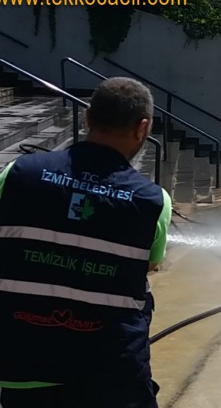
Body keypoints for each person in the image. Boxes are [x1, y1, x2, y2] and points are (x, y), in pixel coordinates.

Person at [0, 77, 172, 407]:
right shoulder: (153, 203)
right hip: (112, 374)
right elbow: (149, 265)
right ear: (142, 128)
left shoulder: (17, 174)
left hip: (23, 362)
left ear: (88, 116)